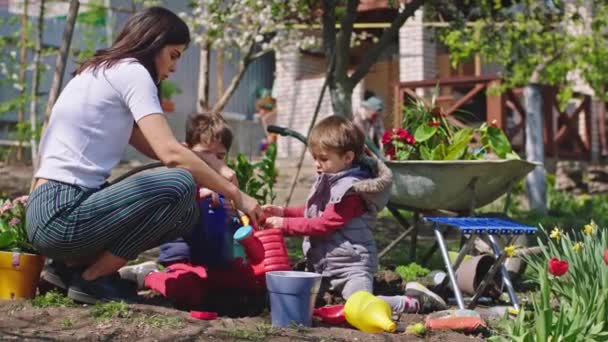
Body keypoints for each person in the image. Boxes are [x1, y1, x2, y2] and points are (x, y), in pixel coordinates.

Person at [26, 7, 262, 304]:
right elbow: (170, 154)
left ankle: (67, 268)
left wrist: (212, 162)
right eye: (174, 55)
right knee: (179, 183)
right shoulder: (133, 71)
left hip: (49, 213)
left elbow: (153, 143)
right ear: (154, 43)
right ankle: (93, 279)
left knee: (185, 209)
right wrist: (236, 195)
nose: (174, 67)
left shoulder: (101, 71)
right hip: (63, 215)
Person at [262, 116, 447, 314]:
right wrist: (284, 212)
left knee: (359, 303)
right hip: (325, 267)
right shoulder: (328, 178)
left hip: (352, 268)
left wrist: (285, 224)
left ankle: (412, 301)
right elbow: (313, 211)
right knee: (314, 298)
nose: (317, 164)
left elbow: (325, 223)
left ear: (348, 158)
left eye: (323, 159)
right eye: (314, 158)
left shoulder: (351, 192)